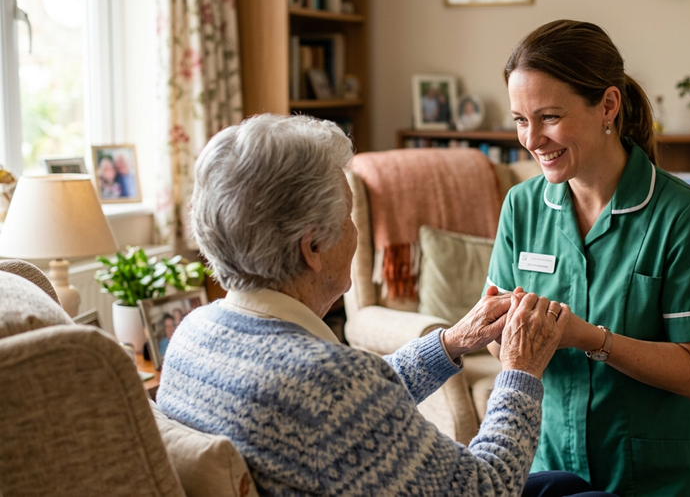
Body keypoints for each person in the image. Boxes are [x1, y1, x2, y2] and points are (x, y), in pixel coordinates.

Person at [156, 114, 616, 497]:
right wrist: (520, 371)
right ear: (312, 247)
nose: (356, 233)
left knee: (559, 483)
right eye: (348, 217)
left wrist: (451, 343)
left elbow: (361, 402)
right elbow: (486, 489)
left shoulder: (191, 333)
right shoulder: (325, 385)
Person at [486, 20, 690, 496]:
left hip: (656, 477)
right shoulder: (521, 205)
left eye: (550, 117)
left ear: (608, 106)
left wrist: (589, 339)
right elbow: (501, 344)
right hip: (552, 469)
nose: (532, 139)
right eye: (519, 119)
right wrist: (505, 335)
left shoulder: (684, 215)